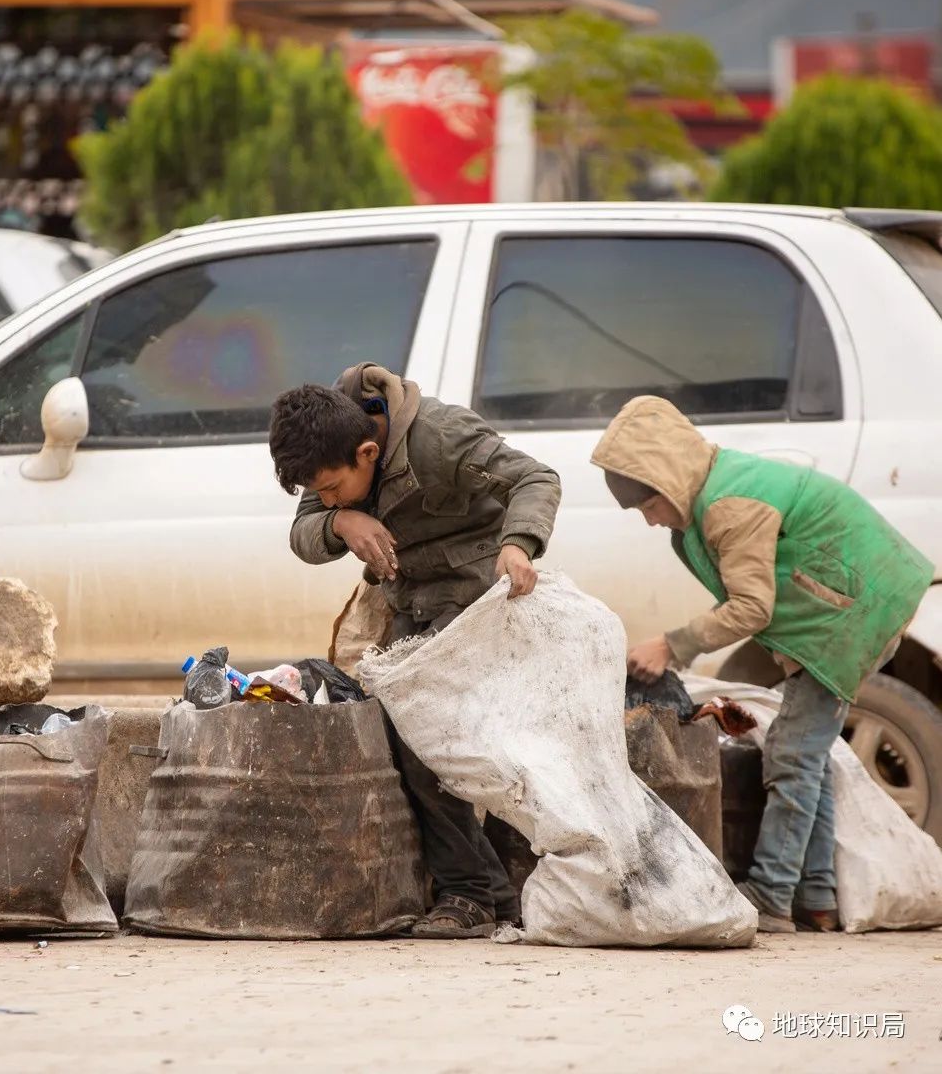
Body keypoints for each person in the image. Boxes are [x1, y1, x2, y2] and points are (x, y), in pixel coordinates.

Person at [591, 395, 932, 933]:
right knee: (805, 759)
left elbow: (752, 606)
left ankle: (772, 894)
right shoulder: (716, 494)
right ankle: (816, 898)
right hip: (839, 612)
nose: (652, 522)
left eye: (648, 507)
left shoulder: (730, 504)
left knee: (792, 757)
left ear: (669, 481)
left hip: (850, 615)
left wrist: (672, 645)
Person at [269, 362, 561, 937]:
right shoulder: (325, 446)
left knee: (434, 745)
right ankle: (487, 894)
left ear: (369, 452)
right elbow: (304, 532)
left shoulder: (442, 435)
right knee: (408, 741)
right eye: (317, 491)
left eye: (331, 488)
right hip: (410, 600)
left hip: (478, 595)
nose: (322, 497)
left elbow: (536, 479)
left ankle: (474, 893)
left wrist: (519, 544)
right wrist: (341, 520)